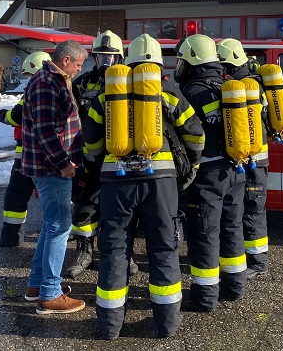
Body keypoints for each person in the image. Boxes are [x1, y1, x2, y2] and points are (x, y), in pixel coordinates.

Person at [87, 34, 205, 339]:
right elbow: (195, 134)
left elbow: (91, 142)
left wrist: (103, 164)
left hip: (117, 184)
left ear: (127, 58)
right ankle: (167, 324)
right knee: (164, 248)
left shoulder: (107, 93)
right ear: (158, 60)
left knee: (113, 249)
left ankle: (109, 326)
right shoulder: (168, 91)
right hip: (160, 184)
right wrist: (190, 168)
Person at [175, 34, 247, 312]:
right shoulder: (229, 87)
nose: (178, 66)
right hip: (236, 171)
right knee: (232, 228)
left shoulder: (191, 93)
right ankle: (234, 286)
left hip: (206, 176)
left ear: (192, 60)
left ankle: (205, 298)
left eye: (181, 60)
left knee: (204, 232)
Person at [65, 31, 140, 279]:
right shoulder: (82, 83)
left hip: (121, 159)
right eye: (101, 57)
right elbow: (69, 120)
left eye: (111, 58)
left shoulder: (132, 83)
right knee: (84, 208)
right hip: (88, 158)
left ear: (121, 57)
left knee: (121, 211)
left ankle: (122, 256)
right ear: (94, 58)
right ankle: (84, 252)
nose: (106, 63)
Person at [21, 39, 87, 315]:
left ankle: (36, 286)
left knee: (51, 226)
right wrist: (63, 163)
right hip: (51, 168)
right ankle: (50, 294)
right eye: (79, 64)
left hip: (47, 166)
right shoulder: (48, 84)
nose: (80, 69)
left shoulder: (51, 79)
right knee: (59, 228)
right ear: (66, 61)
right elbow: (45, 130)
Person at [216, 38, 270, 279]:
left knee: (252, 209)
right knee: (249, 207)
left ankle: (258, 262)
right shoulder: (257, 82)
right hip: (253, 157)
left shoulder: (245, 87)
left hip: (252, 159)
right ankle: (247, 257)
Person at [0, 51, 51, 247]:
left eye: (28, 75)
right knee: (54, 196)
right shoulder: (61, 89)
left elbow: (15, 117)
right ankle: (59, 233)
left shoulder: (34, 91)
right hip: (53, 155)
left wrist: (1, 114)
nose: (28, 79)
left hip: (27, 155)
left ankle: (11, 237)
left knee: (16, 195)